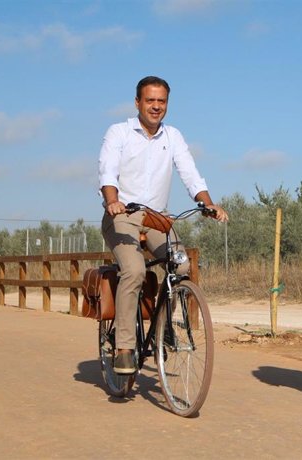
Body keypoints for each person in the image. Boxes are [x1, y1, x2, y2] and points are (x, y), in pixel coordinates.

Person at [98, 76, 228, 374]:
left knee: (180, 266)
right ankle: (125, 347)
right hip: (122, 215)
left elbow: (190, 173)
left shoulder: (173, 137)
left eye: (162, 101)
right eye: (150, 100)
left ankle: (162, 328)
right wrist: (112, 200)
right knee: (134, 270)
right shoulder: (119, 132)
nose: (156, 107)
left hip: (157, 218)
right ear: (137, 103)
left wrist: (207, 203)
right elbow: (107, 170)